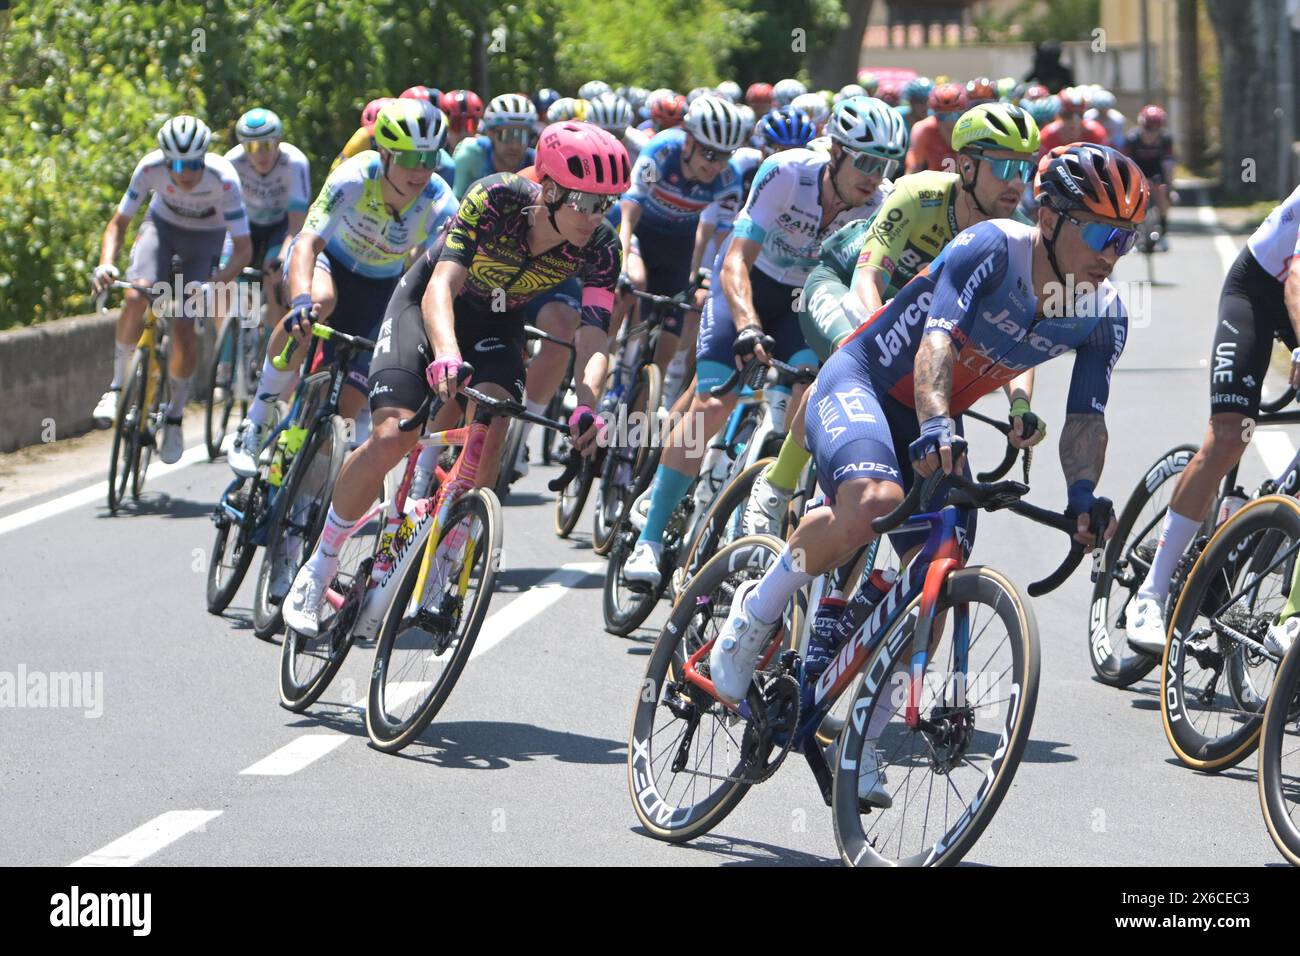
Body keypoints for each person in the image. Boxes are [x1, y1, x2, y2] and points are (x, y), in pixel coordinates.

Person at [706, 146, 1147, 808]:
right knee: (872, 501)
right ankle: (753, 614)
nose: (1112, 252)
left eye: (1127, 237)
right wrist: (939, 423)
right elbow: (937, 340)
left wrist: (1083, 498)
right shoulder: (991, 248)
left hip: (931, 414)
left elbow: (1086, 417)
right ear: (1050, 219)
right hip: (866, 381)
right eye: (1099, 231)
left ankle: (863, 741)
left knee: (939, 572)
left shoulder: (1103, 314)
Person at [281, 122, 629, 635]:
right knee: (393, 435)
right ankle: (320, 563)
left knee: (491, 430)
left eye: (606, 204)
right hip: (427, 306)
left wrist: (586, 405)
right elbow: (441, 283)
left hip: (497, 322)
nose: (595, 216)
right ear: (550, 190)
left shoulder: (601, 248)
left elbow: (595, 338)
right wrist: (444, 352)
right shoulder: (497, 198)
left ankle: (445, 563)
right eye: (584, 201)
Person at [622, 97, 907, 586]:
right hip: (750, 283)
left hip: (804, 302)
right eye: (864, 161)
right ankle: (647, 540)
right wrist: (749, 324)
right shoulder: (786, 173)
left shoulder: (880, 206)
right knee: (711, 403)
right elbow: (735, 260)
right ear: (835, 152)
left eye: (884, 166)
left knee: (812, 391)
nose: (873, 175)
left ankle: (765, 506)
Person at [746, 103, 1044, 536]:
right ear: (966, 166)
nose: (1017, 182)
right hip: (844, 284)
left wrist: (1020, 404)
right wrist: (877, 344)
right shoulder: (920, 195)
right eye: (1003, 166)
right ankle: (776, 485)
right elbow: (867, 278)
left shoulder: (1017, 234)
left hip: (919, 326)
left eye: (1025, 168)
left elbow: (1017, 339)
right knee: (850, 361)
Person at [226, 100, 458, 478]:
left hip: (381, 287)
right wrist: (300, 299)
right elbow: (306, 244)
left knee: (347, 407)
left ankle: (303, 497)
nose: (421, 169)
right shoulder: (355, 176)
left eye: (430, 157)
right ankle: (258, 417)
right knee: (320, 302)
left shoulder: (440, 202)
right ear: (384, 152)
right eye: (409, 158)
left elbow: (443, 274)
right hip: (328, 264)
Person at [1124, 184, 1300, 659]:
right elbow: (1295, 278)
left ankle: (1254, 542)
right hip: (1261, 293)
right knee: (1229, 436)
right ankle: (1152, 594)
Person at [90, 115, 251, 463]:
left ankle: (175, 415)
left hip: (205, 241)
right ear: (165, 160)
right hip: (161, 230)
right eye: (177, 164)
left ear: (204, 158)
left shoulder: (224, 179)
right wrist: (105, 263)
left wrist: (215, 284)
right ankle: (117, 388)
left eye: (193, 163)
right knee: (136, 294)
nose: (185, 172)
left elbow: (243, 250)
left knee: (184, 326)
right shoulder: (149, 169)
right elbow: (119, 223)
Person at [616, 95, 750, 375]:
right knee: (634, 282)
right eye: (710, 154)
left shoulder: (728, 179)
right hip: (641, 233)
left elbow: (722, 239)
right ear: (689, 141)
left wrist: (709, 282)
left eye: (725, 156)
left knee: (666, 347)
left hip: (678, 247)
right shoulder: (663, 151)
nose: (716, 165)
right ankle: (614, 364)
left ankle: (638, 411)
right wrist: (621, 259)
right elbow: (629, 211)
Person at [221, 109, 310, 335]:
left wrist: (282, 259)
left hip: (280, 227)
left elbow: (296, 224)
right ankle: (224, 361)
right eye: (252, 147)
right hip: (244, 226)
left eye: (267, 145)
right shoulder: (230, 163)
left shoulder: (295, 163)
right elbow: (220, 217)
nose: (260, 154)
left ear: (279, 142)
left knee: (274, 279)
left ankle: (269, 351)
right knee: (224, 280)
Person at [451, 93, 538, 199]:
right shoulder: (470, 154)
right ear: (490, 134)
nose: (514, 146)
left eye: (522, 136)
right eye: (507, 135)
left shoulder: (537, 163)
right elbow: (456, 204)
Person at [1124, 105, 1177, 249]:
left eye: (1156, 129)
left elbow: (1168, 166)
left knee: (1162, 197)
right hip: (1136, 172)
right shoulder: (1132, 139)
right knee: (1131, 202)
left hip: (1157, 173)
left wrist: (1170, 189)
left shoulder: (1166, 139)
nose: (1151, 133)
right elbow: (1126, 166)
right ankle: (1133, 236)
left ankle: (1164, 232)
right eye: (1148, 129)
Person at [905, 83, 967, 173]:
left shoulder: (972, 129)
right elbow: (913, 167)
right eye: (941, 116)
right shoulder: (923, 129)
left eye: (954, 115)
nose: (948, 123)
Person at [1038, 88, 1107, 156]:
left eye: (1080, 115)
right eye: (1067, 115)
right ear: (1058, 115)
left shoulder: (1096, 132)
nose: (1074, 121)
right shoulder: (1048, 135)